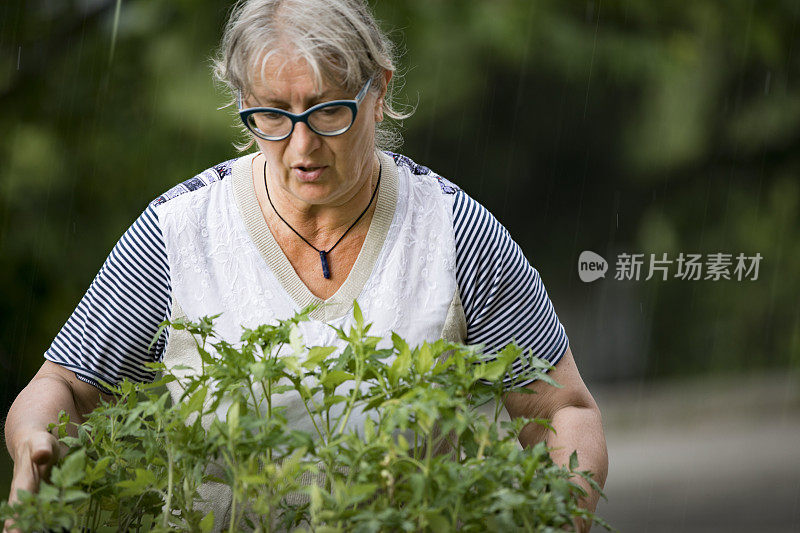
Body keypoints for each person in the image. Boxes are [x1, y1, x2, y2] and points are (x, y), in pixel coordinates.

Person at [4, 0, 608, 530]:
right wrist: (33, 438)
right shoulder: (179, 234)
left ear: (380, 94)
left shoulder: (451, 233)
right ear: (242, 105)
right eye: (271, 114)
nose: (301, 147)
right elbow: (64, 388)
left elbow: (562, 411)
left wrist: (560, 517)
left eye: (326, 112)